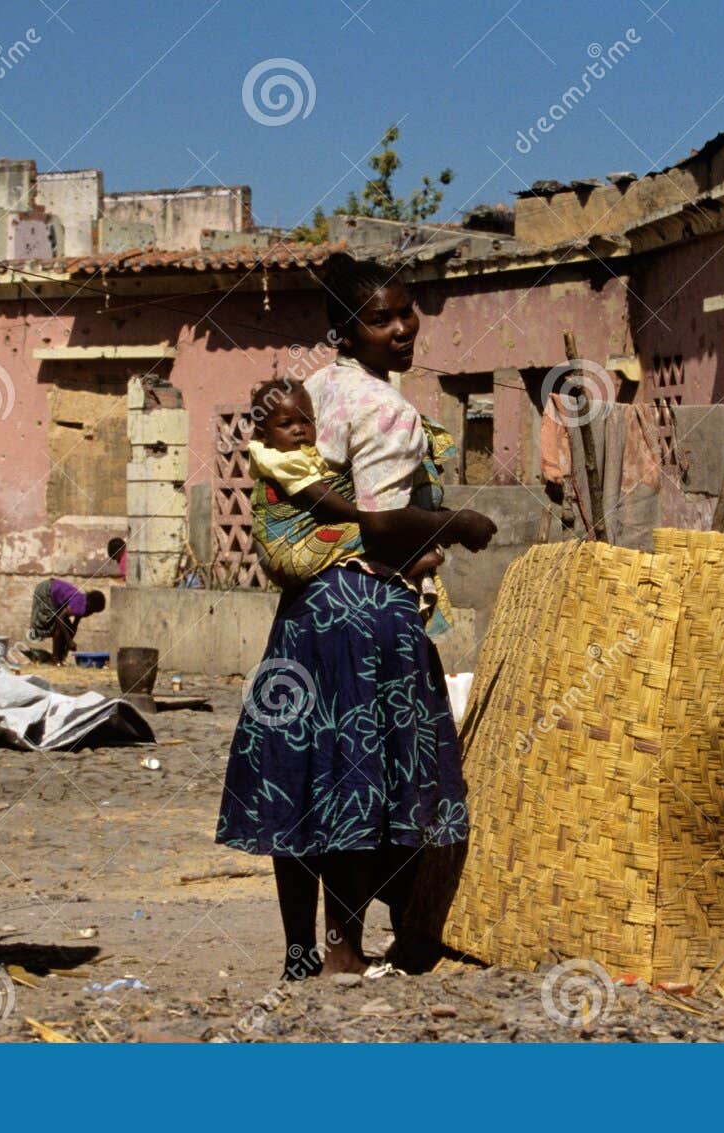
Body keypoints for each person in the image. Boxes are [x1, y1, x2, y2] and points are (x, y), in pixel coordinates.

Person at [216, 254, 497, 980]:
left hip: (306, 609)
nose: (402, 328)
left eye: (408, 312)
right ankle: (344, 944)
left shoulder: (306, 391)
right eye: (380, 318)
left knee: (299, 767)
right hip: (369, 610)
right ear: (345, 329)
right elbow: (378, 523)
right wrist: (453, 523)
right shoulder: (390, 411)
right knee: (362, 773)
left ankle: (299, 949)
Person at [245, 378, 451, 630]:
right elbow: (322, 499)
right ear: (262, 434)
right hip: (285, 552)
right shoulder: (281, 460)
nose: (299, 429)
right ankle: (407, 561)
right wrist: (367, 516)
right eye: (286, 424)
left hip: (293, 558)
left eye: (306, 421)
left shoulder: (297, 451)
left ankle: (400, 562)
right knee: (369, 532)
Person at [28, 579, 106, 665]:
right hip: (47, 590)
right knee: (55, 626)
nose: (92, 614)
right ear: (91, 606)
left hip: (52, 590)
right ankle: (55, 658)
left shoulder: (83, 604)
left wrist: (69, 642)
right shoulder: (80, 605)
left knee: (65, 628)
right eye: (94, 611)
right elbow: (59, 619)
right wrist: (69, 641)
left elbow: (74, 627)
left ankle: (58, 658)